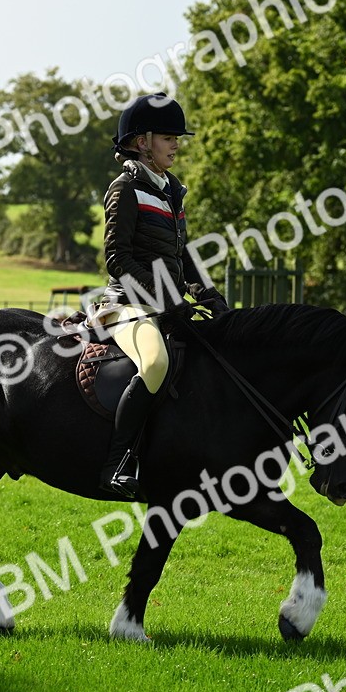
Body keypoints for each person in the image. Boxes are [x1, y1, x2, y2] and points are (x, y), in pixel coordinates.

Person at [95, 92, 229, 498]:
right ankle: (116, 465)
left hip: (166, 303)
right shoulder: (125, 189)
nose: (176, 144)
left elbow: (181, 255)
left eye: (177, 137)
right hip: (125, 304)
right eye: (168, 137)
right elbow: (117, 259)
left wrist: (207, 293)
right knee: (155, 363)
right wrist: (167, 295)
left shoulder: (171, 190)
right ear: (142, 142)